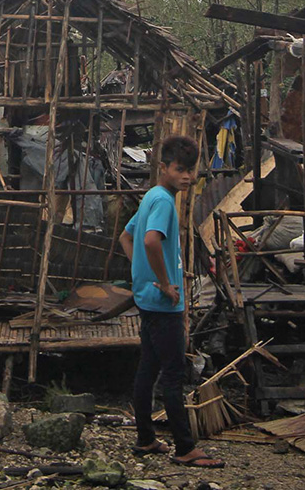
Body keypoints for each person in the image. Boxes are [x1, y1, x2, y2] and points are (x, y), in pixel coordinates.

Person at [119, 135, 223, 468]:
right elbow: (150, 241)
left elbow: (126, 236)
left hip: (147, 299)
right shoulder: (163, 200)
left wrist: (144, 275)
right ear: (163, 168)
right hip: (163, 305)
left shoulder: (151, 196)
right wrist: (165, 283)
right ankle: (185, 448)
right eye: (179, 169)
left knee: (147, 370)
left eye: (190, 171)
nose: (187, 177)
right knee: (174, 376)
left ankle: (146, 439)